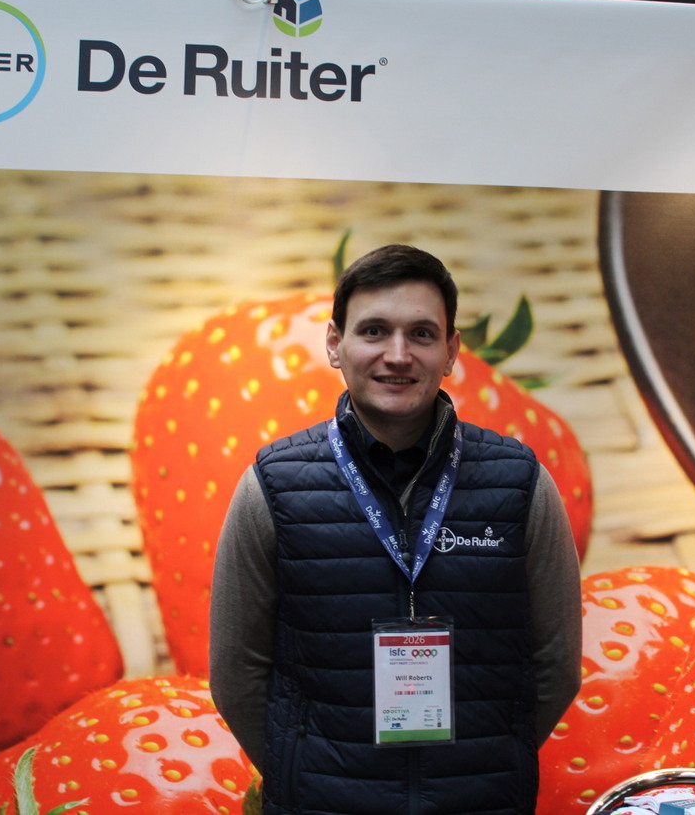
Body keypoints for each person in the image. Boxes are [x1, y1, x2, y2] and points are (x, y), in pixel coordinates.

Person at [209, 244, 582, 815]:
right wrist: (299, 771)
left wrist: (492, 760)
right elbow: (237, 672)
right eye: (374, 331)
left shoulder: (520, 482)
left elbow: (556, 662)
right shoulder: (272, 486)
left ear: (451, 351)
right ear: (335, 343)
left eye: (422, 334)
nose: (398, 355)